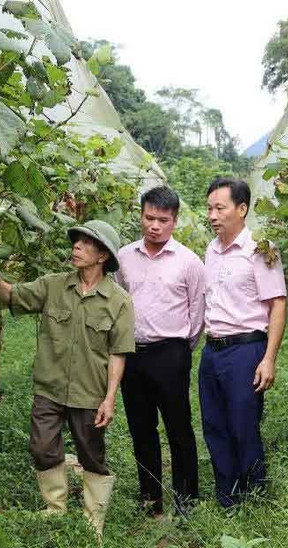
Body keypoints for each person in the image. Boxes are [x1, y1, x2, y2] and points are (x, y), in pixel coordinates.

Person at [0, 220, 134, 541]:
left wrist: (109, 398)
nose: (76, 247)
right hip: (50, 388)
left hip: (89, 391)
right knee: (42, 447)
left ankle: (93, 520)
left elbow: (118, 353)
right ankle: (55, 509)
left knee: (91, 455)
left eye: (86, 243)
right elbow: (14, 296)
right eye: (76, 241)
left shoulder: (119, 301)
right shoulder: (53, 285)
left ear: (102, 255)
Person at [116, 186, 205, 517]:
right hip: (132, 353)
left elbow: (197, 313)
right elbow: (118, 302)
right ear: (141, 216)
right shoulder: (123, 258)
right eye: (149, 217)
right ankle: (150, 496)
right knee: (141, 428)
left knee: (178, 427)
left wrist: (181, 349)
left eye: (163, 220)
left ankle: (186, 499)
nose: (154, 226)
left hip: (171, 352)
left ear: (174, 221)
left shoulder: (188, 262)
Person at [200, 177, 287, 507]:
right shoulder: (211, 250)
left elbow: (278, 304)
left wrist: (269, 358)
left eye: (220, 208)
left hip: (245, 350)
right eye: (209, 208)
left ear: (241, 209)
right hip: (213, 350)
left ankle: (256, 495)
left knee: (243, 424)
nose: (212, 215)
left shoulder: (260, 250)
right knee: (214, 424)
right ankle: (228, 496)